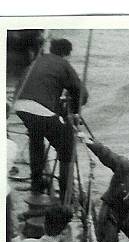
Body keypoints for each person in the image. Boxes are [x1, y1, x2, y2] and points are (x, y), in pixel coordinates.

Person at [15, 38, 88, 198]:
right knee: (66, 147)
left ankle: (37, 184)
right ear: (66, 54)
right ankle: (65, 196)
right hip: (39, 107)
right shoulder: (63, 64)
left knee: (36, 137)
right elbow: (81, 93)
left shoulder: (37, 61)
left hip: (20, 104)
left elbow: (42, 86)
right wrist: (74, 112)